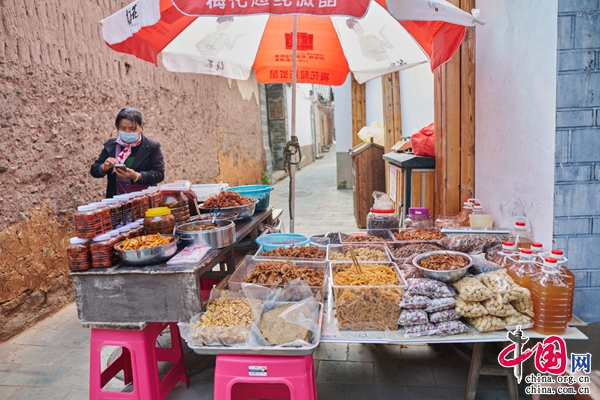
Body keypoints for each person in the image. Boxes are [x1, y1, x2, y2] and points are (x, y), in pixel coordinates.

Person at [90, 108, 165, 198]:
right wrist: (103, 167)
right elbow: (94, 170)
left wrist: (137, 176)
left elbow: (159, 174)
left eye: (132, 129)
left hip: (144, 199)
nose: (127, 132)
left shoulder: (152, 147)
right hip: (117, 201)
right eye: (123, 128)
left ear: (141, 127)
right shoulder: (111, 146)